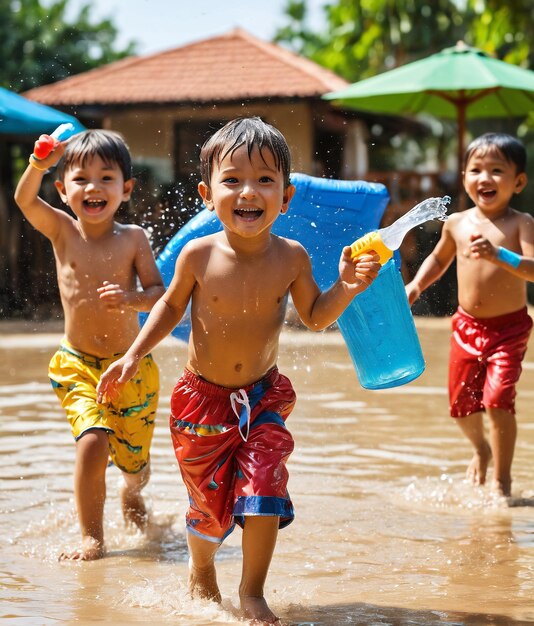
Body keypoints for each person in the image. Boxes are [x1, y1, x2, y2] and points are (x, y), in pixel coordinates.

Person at [96, 117, 380, 624]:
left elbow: (316, 317)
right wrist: (134, 353)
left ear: (286, 196)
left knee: (264, 488)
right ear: (207, 193)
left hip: (263, 398)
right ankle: (202, 572)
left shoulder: (291, 258)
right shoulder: (198, 254)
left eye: (265, 180)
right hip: (200, 403)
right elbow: (166, 309)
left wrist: (348, 286)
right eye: (232, 180)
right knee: (209, 510)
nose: (249, 191)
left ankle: (252, 593)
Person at [14, 129, 165, 561]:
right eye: (80, 179)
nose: (93, 188)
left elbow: (159, 293)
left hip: (130, 367)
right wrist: (39, 164)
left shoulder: (134, 238)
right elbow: (25, 200)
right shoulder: (63, 230)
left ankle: (131, 491)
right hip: (76, 363)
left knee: (134, 468)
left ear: (126, 189)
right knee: (93, 439)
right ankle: (92, 537)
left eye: (106, 178)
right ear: (62, 190)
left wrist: (131, 298)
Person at [406, 132, 534, 498]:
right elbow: (438, 260)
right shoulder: (457, 223)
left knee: (497, 400)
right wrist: (415, 286)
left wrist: (501, 256)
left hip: (509, 329)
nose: (485, 178)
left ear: (518, 181)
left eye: (497, 170)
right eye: (476, 169)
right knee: (462, 407)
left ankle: (502, 482)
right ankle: (481, 448)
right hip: (466, 326)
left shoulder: (520, 223)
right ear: (464, 177)